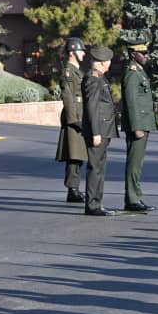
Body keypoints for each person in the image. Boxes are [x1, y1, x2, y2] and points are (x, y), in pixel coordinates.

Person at [81, 46, 118, 216]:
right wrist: (96, 132)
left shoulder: (99, 78)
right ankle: (93, 205)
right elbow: (92, 106)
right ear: (103, 62)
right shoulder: (93, 79)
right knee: (95, 167)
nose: (110, 64)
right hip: (98, 131)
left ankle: (97, 203)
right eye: (109, 61)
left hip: (104, 130)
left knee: (99, 167)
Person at [121, 38, 157, 212]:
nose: (146, 56)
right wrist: (136, 127)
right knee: (134, 163)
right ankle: (132, 199)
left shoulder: (139, 72)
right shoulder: (132, 73)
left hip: (143, 124)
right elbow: (131, 103)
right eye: (143, 53)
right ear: (133, 54)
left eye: (146, 53)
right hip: (138, 125)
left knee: (138, 163)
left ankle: (136, 196)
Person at [55, 37, 88, 203]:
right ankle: (72, 189)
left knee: (78, 155)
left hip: (79, 116)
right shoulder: (68, 71)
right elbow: (67, 96)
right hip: (75, 118)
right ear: (72, 52)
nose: (83, 53)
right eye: (81, 50)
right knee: (74, 155)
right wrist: (75, 119)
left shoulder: (76, 70)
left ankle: (74, 189)